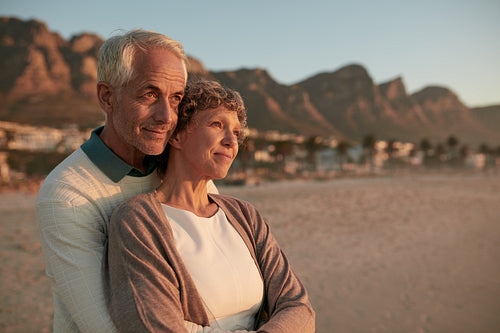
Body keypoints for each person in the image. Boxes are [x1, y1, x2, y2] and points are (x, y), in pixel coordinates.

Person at [36, 29, 217, 332]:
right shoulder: (67, 195)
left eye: (176, 99)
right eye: (149, 94)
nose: (166, 116)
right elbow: (106, 326)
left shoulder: (183, 169)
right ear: (107, 97)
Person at [103, 80, 315, 332]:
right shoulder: (137, 220)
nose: (231, 141)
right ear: (177, 135)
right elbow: (152, 325)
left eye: (236, 133)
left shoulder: (245, 215)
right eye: (217, 125)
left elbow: (299, 307)